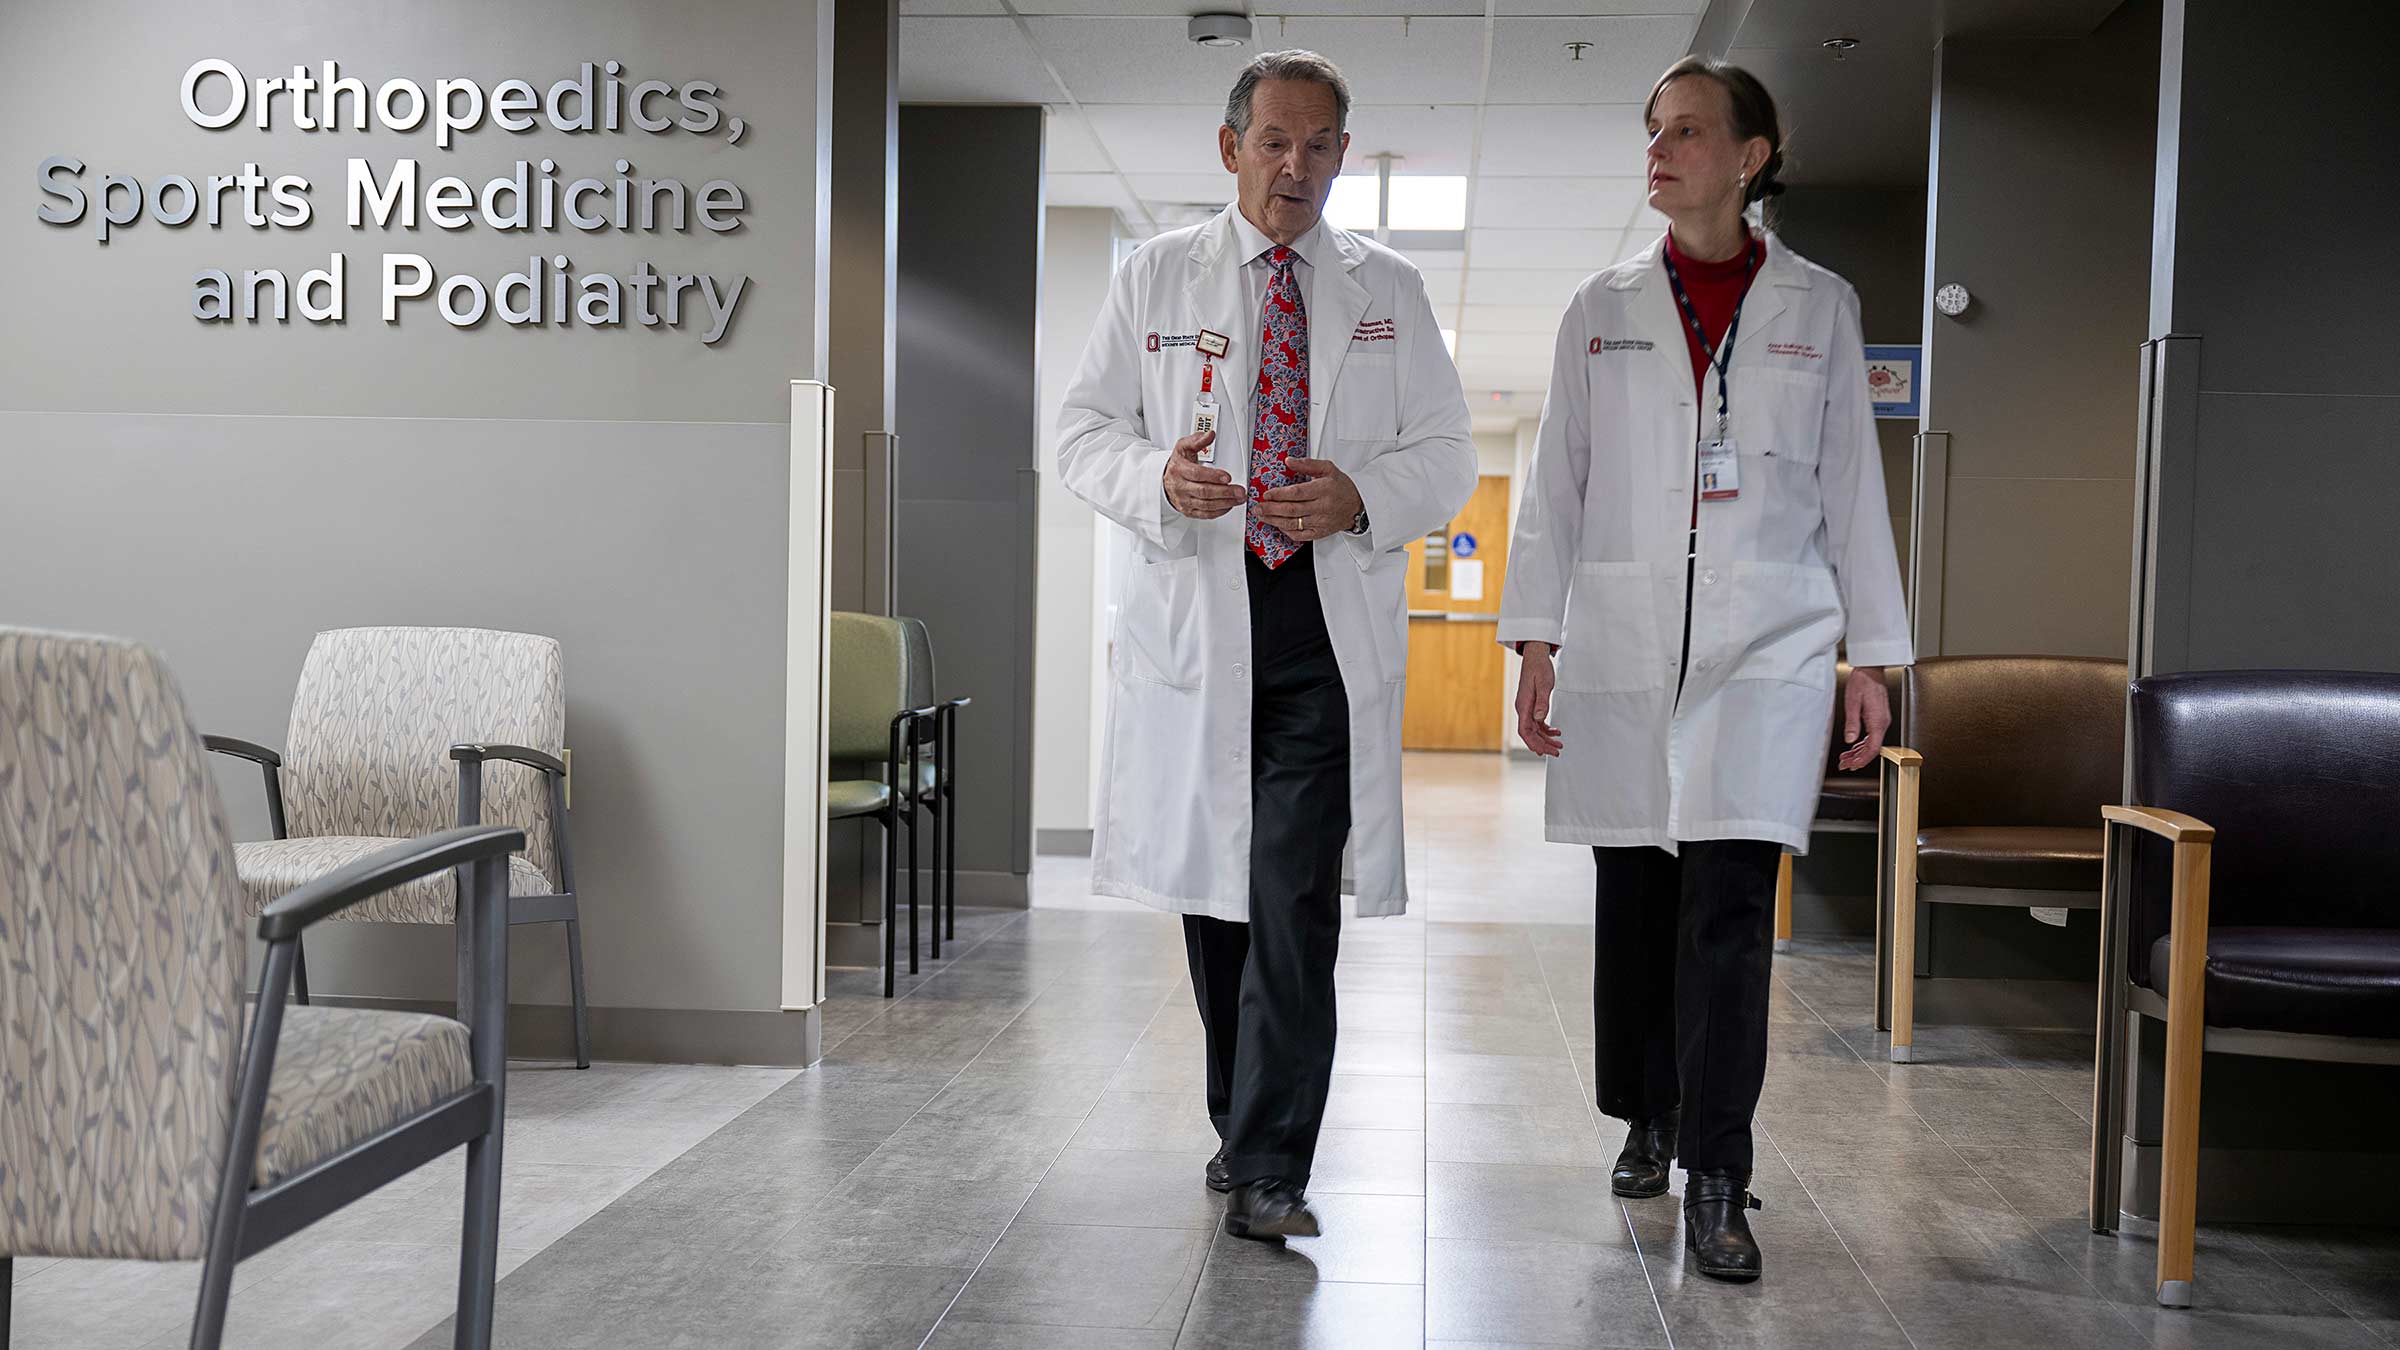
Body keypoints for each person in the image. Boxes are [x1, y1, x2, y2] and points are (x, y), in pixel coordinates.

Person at [1497, 57, 1912, 1282]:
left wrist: (1870, 655)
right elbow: (1554, 485)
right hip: (1628, 641)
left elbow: (1852, 491)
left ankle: (1719, 1170)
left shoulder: (1819, 307)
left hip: (1769, 647)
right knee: (1638, 900)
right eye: (1652, 131)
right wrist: (1535, 638)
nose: (1661, 150)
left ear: (1752, 155)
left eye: (1687, 131)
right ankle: (1648, 1107)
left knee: (1730, 912)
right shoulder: (1601, 306)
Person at [1056, 48, 1475, 1241]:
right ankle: (1240, 1124)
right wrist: (1154, 478)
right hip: (1200, 621)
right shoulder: (1155, 276)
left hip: (1320, 635)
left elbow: (1447, 453)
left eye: (1320, 145)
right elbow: (1082, 428)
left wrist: (1360, 497)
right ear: (1231, 148)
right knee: (1218, 900)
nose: (1297, 167)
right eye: (1276, 142)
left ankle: (1274, 1162)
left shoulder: (1386, 286)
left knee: (1293, 897)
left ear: (1345, 154)